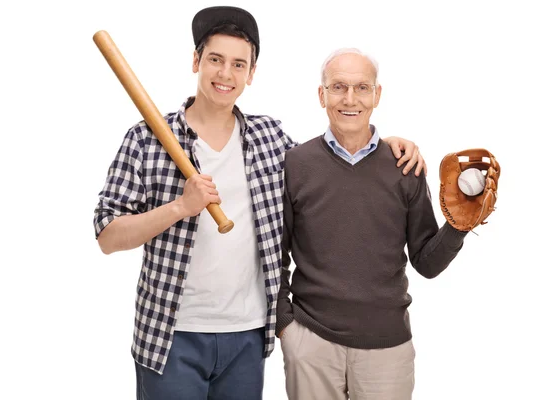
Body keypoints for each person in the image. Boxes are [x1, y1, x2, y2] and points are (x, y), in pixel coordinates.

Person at [93, 6, 426, 400]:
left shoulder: (270, 139)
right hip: (172, 334)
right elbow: (108, 236)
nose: (225, 74)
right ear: (196, 61)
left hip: (248, 337)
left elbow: (332, 164)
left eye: (239, 64)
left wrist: (384, 147)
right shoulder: (146, 140)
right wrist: (180, 208)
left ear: (251, 74)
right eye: (215, 60)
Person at [276, 47, 470, 400]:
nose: (350, 99)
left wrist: (457, 227)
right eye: (338, 87)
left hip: (388, 348)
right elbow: (275, 255)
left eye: (362, 87)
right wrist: (284, 325)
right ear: (321, 95)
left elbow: (425, 263)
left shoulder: (405, 167)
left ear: (377, 95)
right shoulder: (295, 164)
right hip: (310, 342)